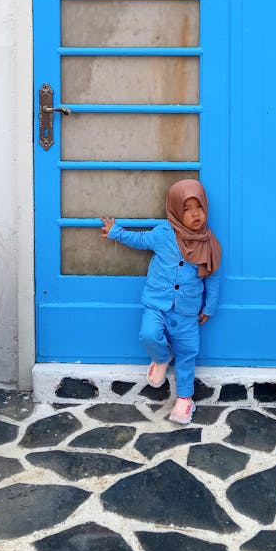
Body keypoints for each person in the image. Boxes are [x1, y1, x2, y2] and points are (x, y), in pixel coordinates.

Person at [100, 178, 222, 425]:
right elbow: (140, 240)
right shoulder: (163, 233)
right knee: (149, 334)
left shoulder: (209, 243)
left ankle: (185, 400)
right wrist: (116, 232)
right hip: (157, 303)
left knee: (188, 354)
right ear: (176, 210)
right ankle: (162, 357)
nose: (195, 214)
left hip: (188, 310)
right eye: (186, 209)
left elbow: (213, 277)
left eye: (198, 207)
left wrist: (209, 306)